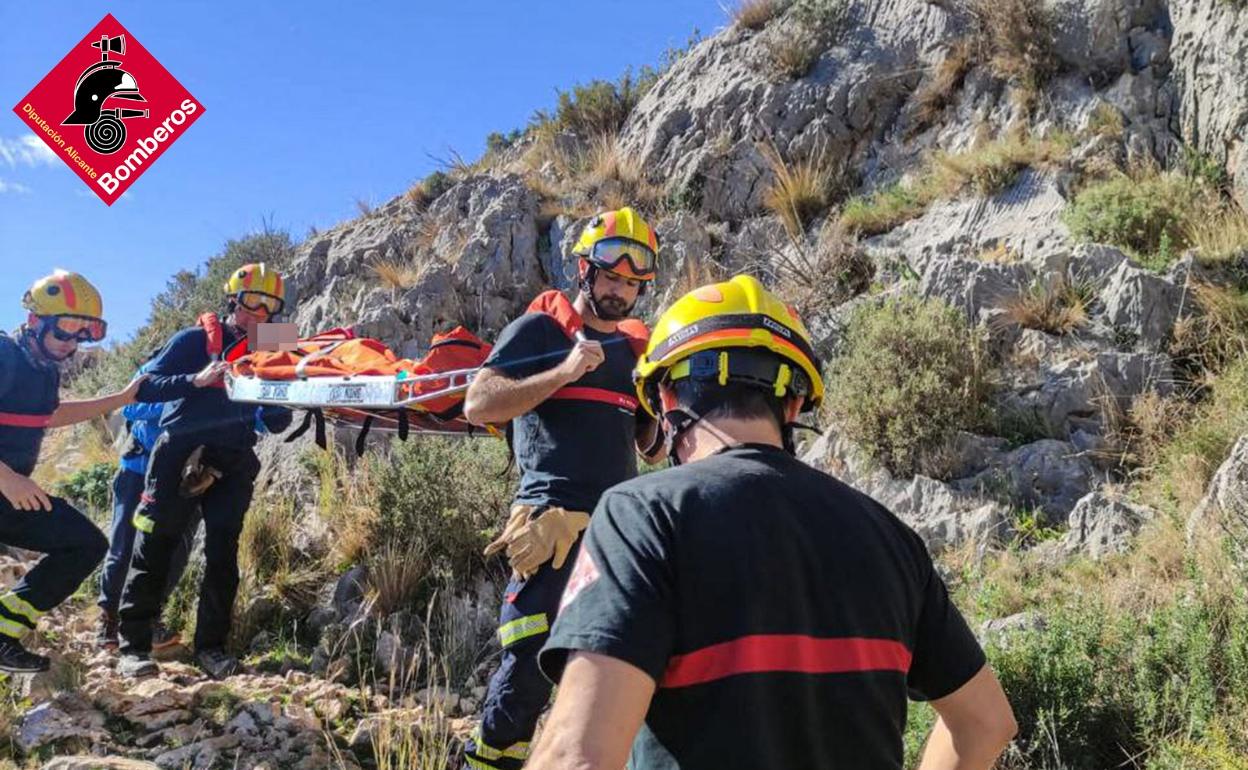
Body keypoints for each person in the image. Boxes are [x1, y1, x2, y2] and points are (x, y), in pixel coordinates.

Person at [528, 275, 1017, 770]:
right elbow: (986, 723)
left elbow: (577, 755)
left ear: (667, 400)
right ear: (793, 404)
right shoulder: (891, 537)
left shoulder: (644, 515)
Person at [460, 207, 665, 770]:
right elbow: (478, 404)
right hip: (550, 527)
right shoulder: (541, 331)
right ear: (584, 270)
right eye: (611, 276)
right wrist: (563, 373)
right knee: (528, 666)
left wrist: (656, 414)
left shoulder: (634, 354)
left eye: (632, 283)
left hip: (616, 535)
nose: (620, 290)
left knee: (618, 671)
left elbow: (650, 449)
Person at [117, 262, 292, 680]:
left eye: (269, 306)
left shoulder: (272, 347)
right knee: (155, 543)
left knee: (222, 554)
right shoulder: (194, 340)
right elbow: (144, 388)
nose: (259, 313)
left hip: (232, 461)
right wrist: (195, 380)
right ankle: (133, 647)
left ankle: (211, 648)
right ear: (232, 299)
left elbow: (278, 420)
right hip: (179, 453)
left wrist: (277, 401)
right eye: (251, 301)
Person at [0, 270, 142, 672]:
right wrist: (7, 478)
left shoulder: (43, 367)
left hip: (9, 496)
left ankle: (3, 631)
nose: (72, 342)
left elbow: (50, 415)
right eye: (65, 329)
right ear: (34, 320)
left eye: (85, 332)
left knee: (85, 544)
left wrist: (120, 398)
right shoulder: (4, 355)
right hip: (7, 485)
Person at [96, 355, 200, 652]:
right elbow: (130, 406)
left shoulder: (225, 366)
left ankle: (149, 619)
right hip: (138, 471)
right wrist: (178, 401)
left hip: (183, 479)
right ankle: (109, 618)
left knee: (176, 552)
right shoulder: (164, 363)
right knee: (124, 546)